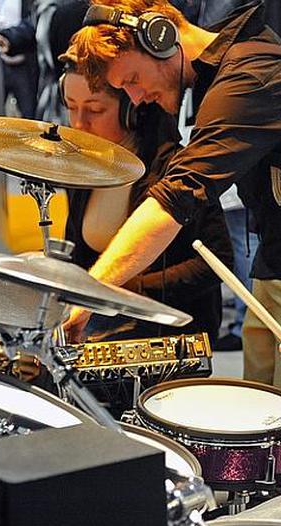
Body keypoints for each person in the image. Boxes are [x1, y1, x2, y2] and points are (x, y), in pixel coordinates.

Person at [64, 0, 281, 485]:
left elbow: (177, 197)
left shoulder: (251, 78)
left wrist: (91, 294)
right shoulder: (224, 74)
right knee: (258, 439)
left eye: (130, 79)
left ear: (161, 38)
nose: (137, 96)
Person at [60, 46, 231, 343]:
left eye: (95, 109)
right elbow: (78, 255)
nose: (79, 123)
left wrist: (124, 288)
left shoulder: (176, 169)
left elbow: (215, 262)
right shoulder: (81, 169)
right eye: (70, 106)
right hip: (102, 323)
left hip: (169, 331)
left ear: (132, 108)